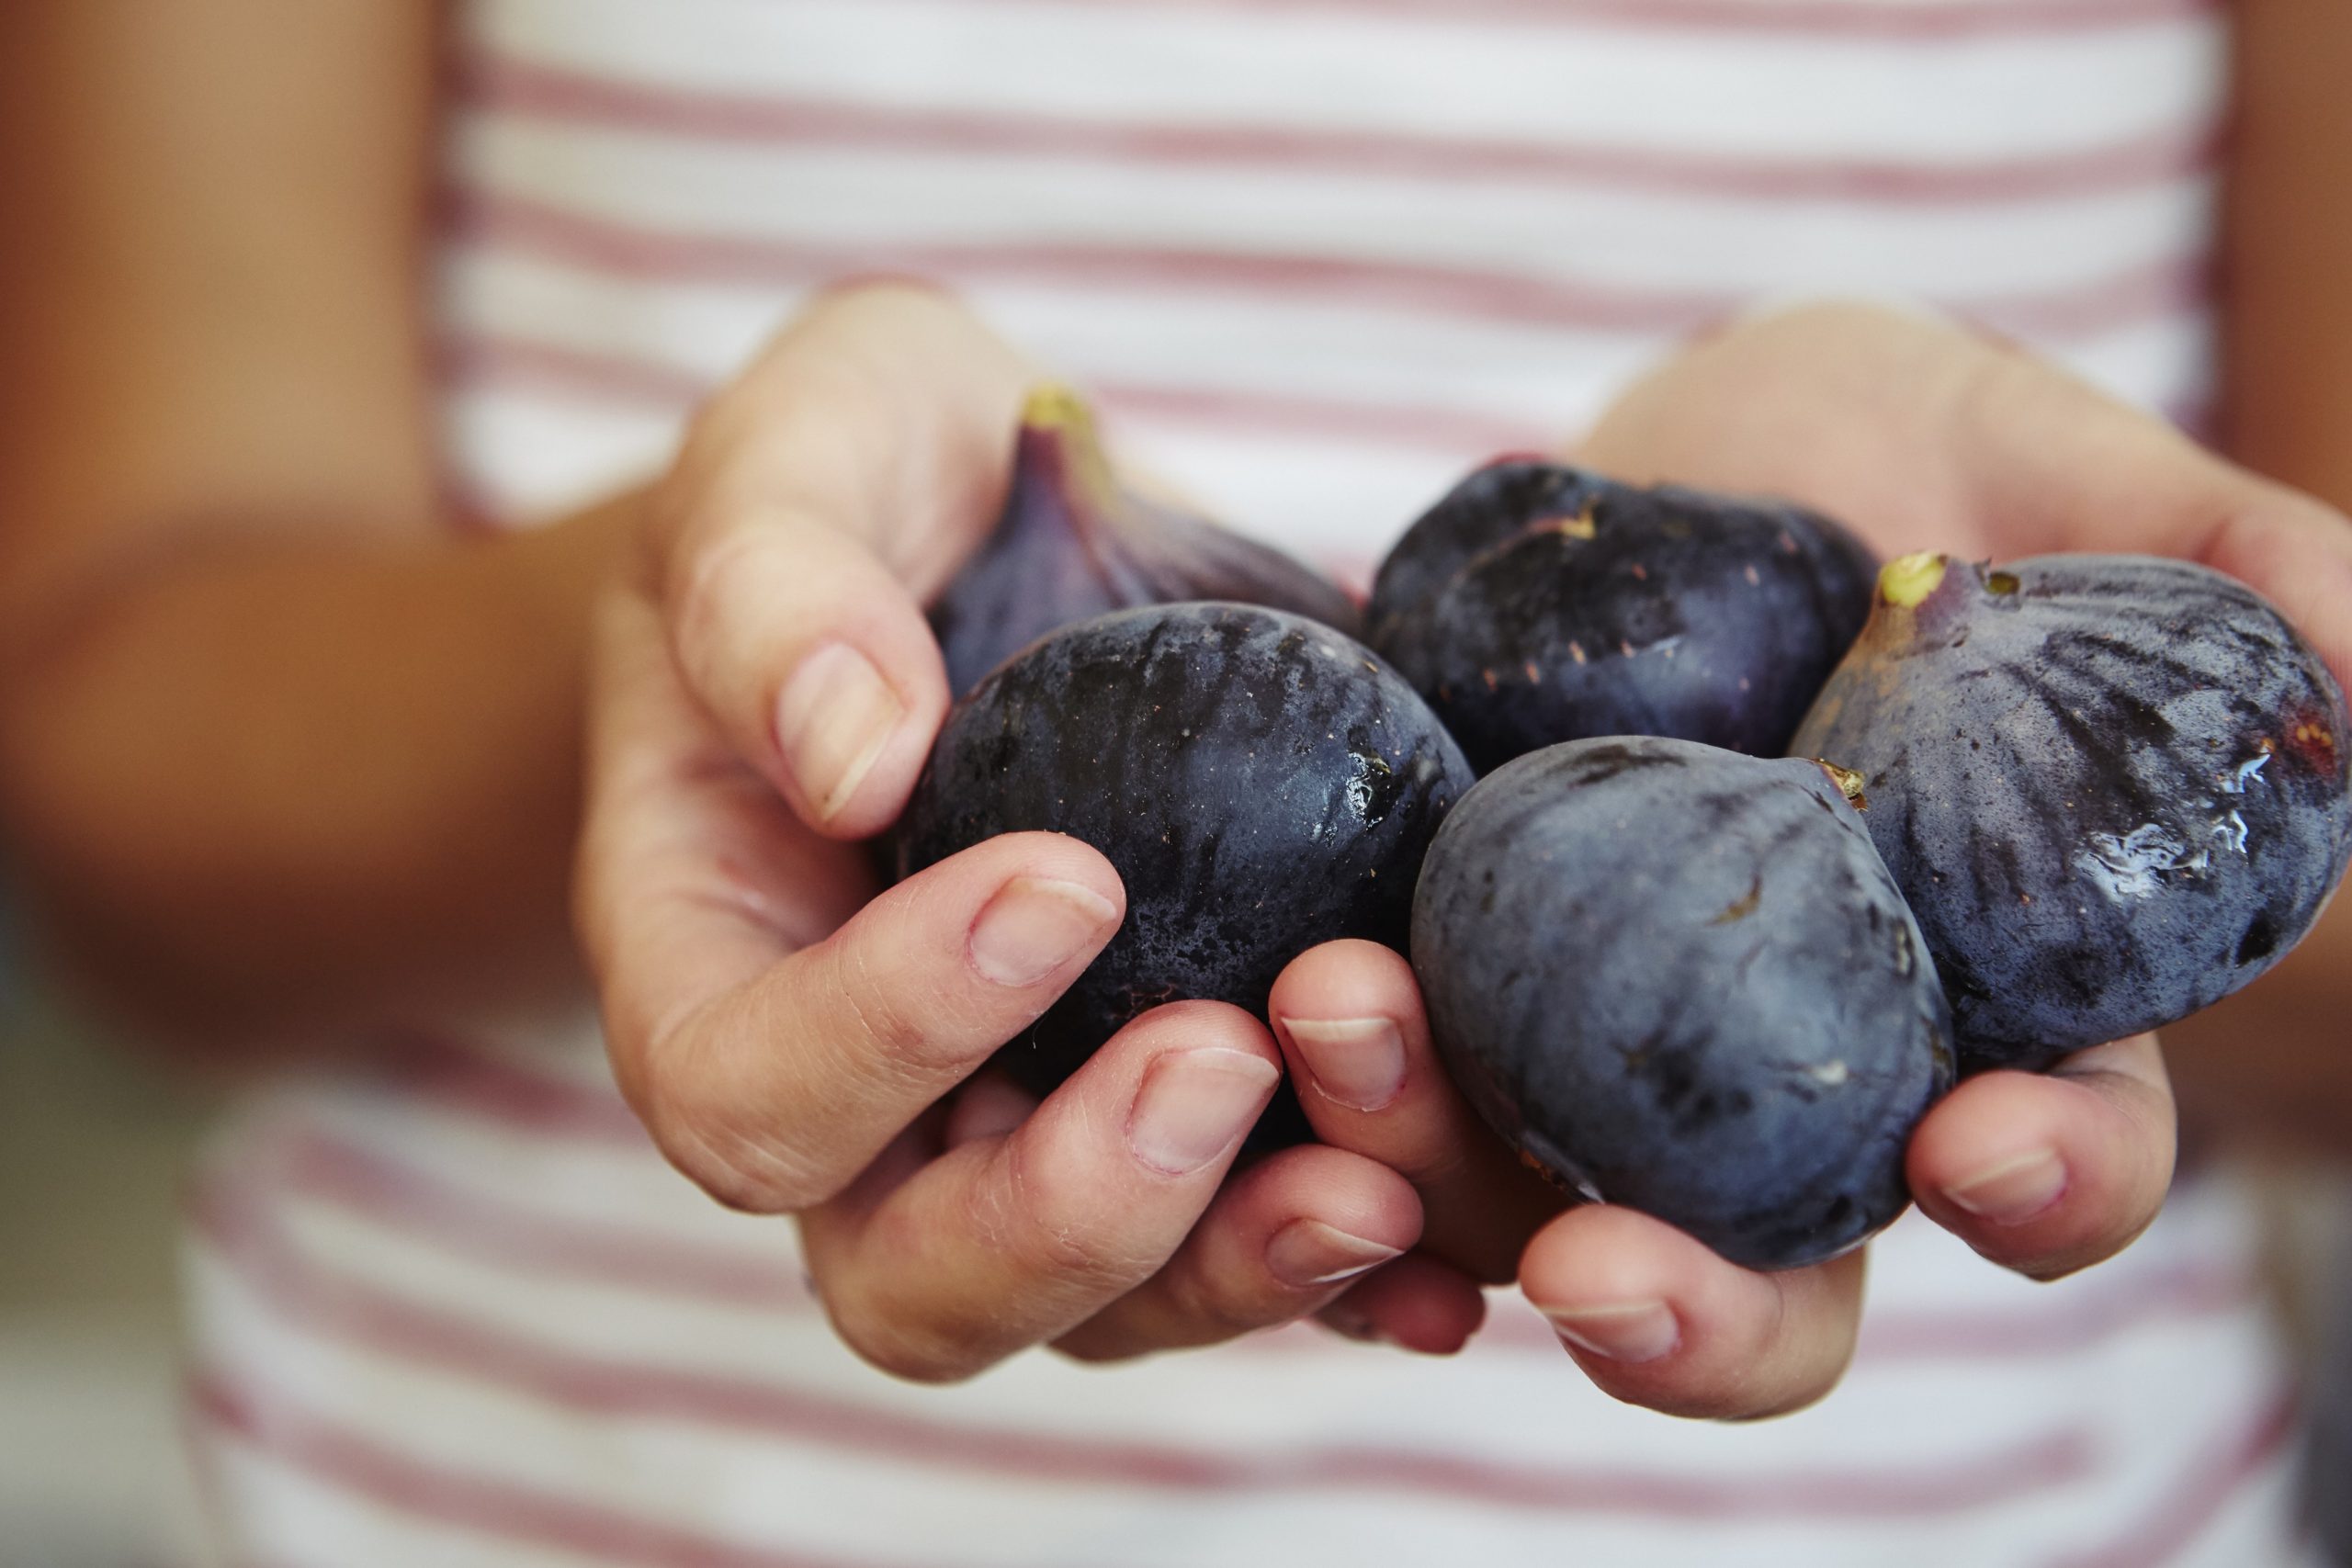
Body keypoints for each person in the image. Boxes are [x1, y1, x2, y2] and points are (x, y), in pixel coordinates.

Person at [3, 0, 2347, 1562]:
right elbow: (113, 774)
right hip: (513, 1479)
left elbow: (2258, 851)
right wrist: (755, 643)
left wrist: (2091, 869)